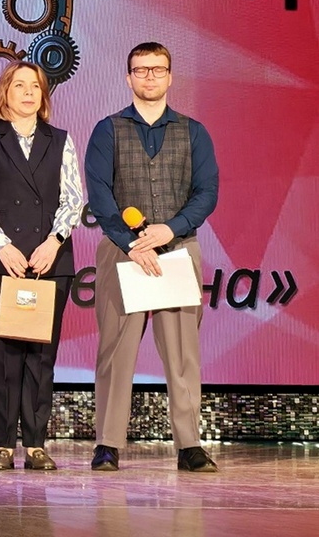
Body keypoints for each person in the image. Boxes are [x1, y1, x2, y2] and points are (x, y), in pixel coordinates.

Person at [85, 42, 220, 472]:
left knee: (182, 353)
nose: (149, 77)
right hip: (122, 252)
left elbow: (207, 192)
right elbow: (100, 195)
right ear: (128, 77)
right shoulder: (107, 130)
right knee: (116, 351)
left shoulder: (193, 131)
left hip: (177, 250)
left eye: (157, 69)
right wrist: (131, 243)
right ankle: (107, 443)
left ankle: (189, 445)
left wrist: (170, 228)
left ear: (170, 76)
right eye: (141, 70)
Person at [0, 61, 83, 472]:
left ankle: (35, 444)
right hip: (2, 262)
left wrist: (54, 241)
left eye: (35, 86)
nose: (29, 92)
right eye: (20, 85)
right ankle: (3, 444)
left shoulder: (61, 140)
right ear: (5, 93)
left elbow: (73, 198)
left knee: (41, 355)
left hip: (50, 260)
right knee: (5, 355)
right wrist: (3, 247)